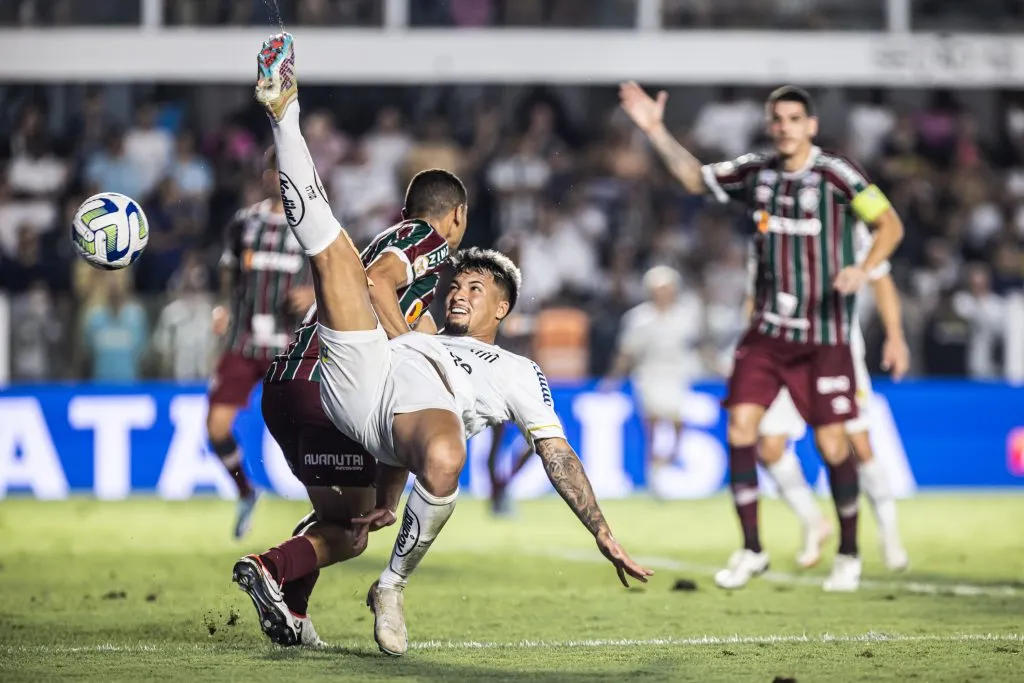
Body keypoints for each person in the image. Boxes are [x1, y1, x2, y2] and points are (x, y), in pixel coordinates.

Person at [239, 32, 652, 657]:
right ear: (454, 221)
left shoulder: (512, 368)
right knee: (329, 249)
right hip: (344, 377)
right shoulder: (425, 266)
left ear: (504, 306)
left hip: (305, 391)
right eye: (455, 281)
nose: (457, 289)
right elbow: (378, 294)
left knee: (349, 527)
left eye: (475, 287)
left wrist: (601, 529)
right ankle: (285, 115)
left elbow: (553, 451)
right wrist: (408, 340)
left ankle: (301, 596)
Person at [619, 81, 904, 592]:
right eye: (777, 119)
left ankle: (850, 552)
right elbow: (693, 178)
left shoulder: (839, 176)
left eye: (795, 119)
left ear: (811, 125)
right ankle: (752, 548)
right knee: (741, 430)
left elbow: (890, 226)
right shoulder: (757, 172)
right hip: (767, 334)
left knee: (833, 444)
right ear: (770, 125)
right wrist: (657, 131)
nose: (785, 128)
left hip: (826, 336)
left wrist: (863, 268)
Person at [237, 167, 466, 647]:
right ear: (457, 216)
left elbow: (417, 377)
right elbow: (377, 285)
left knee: (337, 514)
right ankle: (269, 567)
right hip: (328, 388)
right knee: (353, 531)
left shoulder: (395, 258)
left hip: (287, 384)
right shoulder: (427, 239)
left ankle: (293, 613)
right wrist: (411, 352)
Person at [753, 223, 910, 572]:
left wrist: (895, 336)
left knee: (858, 444)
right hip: (783, 352)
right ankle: (813, 520)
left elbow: (882, 279)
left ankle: (888, 531)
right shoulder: (771, 223)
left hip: (837, 351)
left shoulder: (846, 228)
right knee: (770, 448)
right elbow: (757, 292)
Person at [208, 146, 314, 539]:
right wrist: (221, 308)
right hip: (244, 339)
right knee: (216, 427)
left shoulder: (314, 226)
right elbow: (227, 277)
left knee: (310, 430)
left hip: (290, 345)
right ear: (266, 175)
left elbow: (339, 276)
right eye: (273, 170)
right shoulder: (243, 224)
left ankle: (331, 509)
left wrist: (314, 297)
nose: (277, 177)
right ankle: (246, 492)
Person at [601, 265, 706, 476]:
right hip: (648, 374)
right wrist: (613, 377)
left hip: (677, 373)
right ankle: (653, 467)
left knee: (677, 418)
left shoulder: (685, 317)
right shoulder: (638, 319)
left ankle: (672, 454)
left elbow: (699, 346)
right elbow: (627, 352)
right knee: (653, 421)